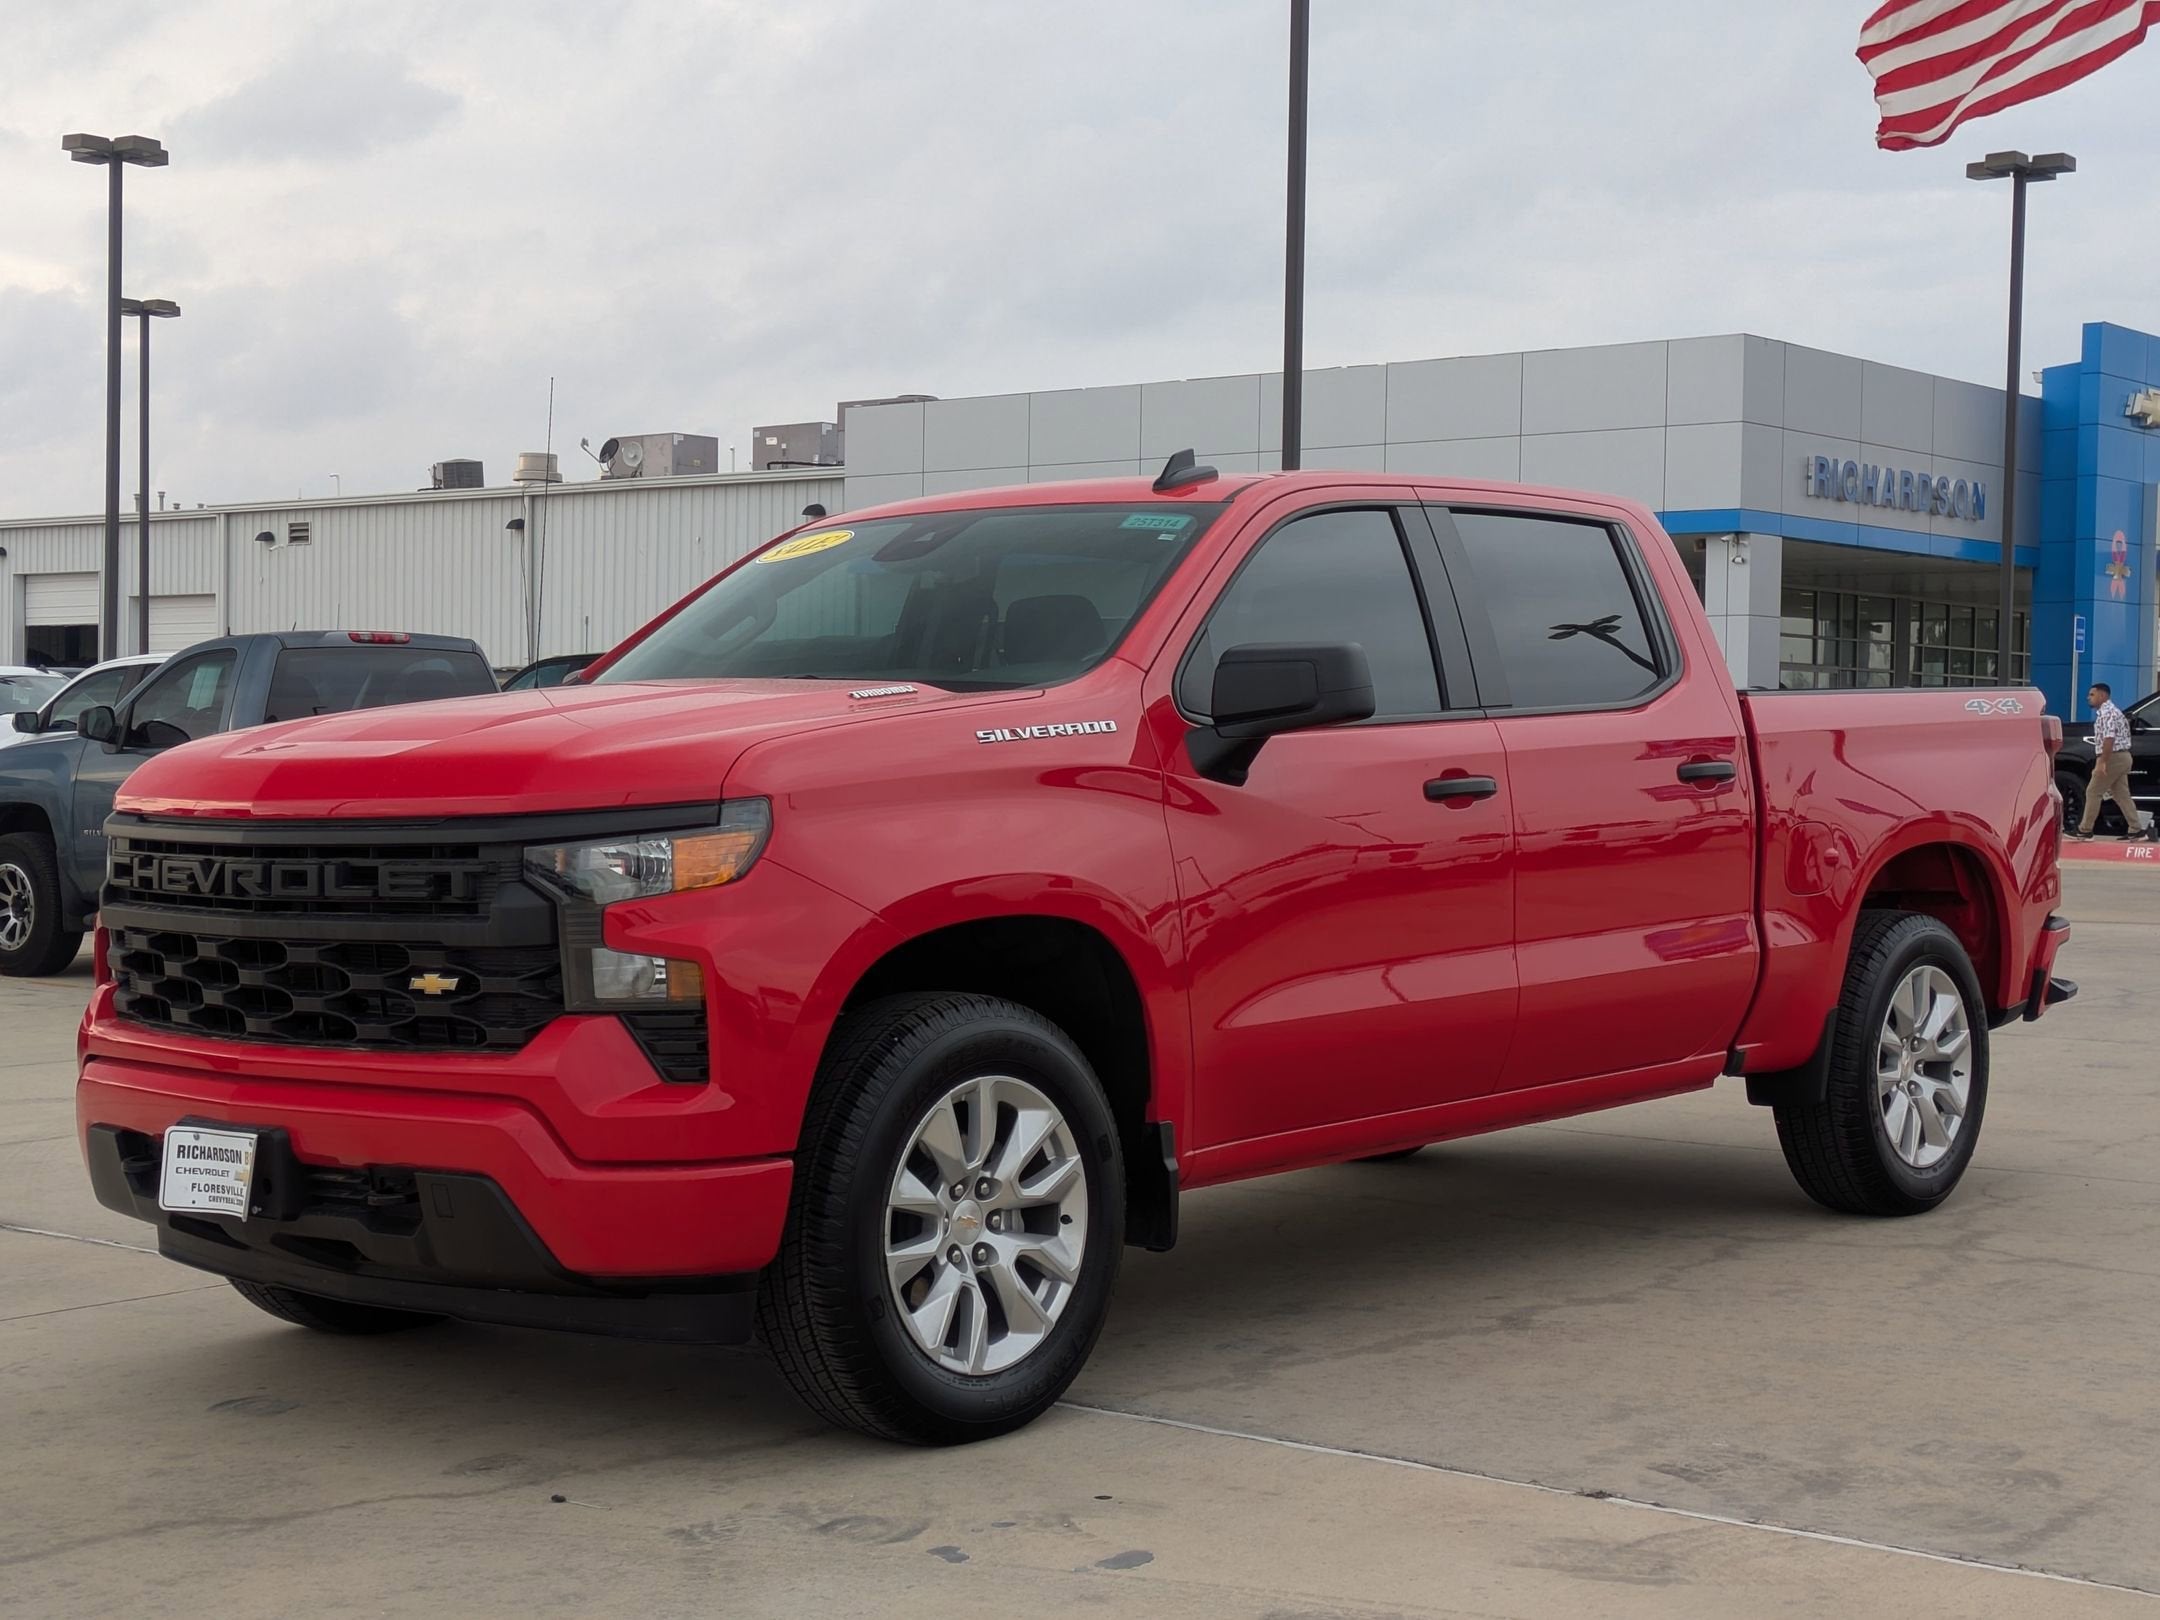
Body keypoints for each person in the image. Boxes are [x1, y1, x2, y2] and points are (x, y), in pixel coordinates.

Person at [2074, 682, 2145, 841]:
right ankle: (2136, 829)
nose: (2088, 698)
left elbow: (2109, 738)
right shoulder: (2113, 712)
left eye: (2092, 695)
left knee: (2093, 791)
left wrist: (2102, 762)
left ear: (2102, 695)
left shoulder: (2107, 714)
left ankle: (2085, 830)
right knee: (2121, 794)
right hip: (2122, 757)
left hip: (2113, 756)